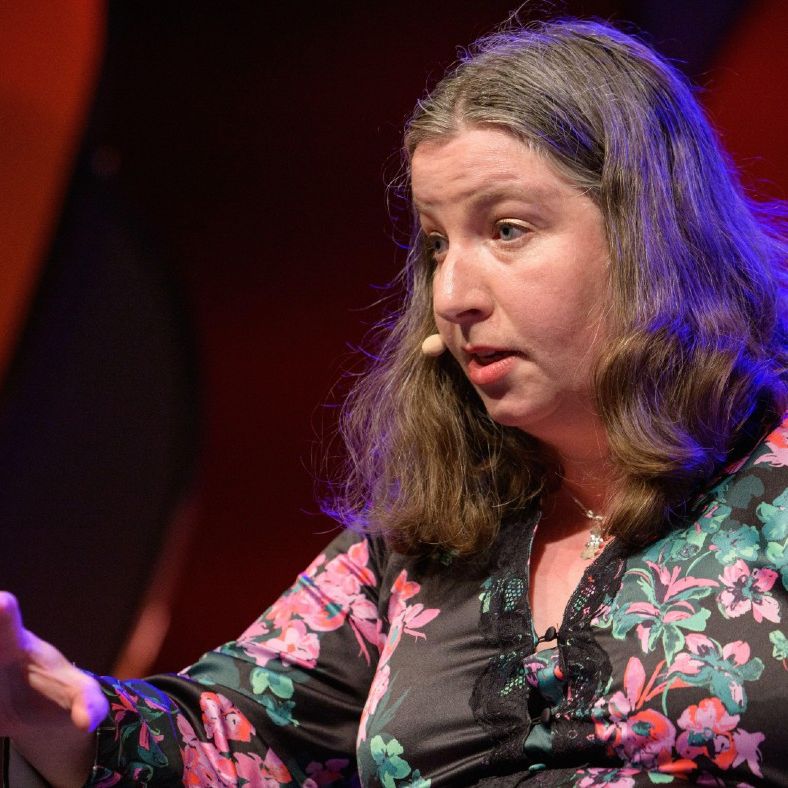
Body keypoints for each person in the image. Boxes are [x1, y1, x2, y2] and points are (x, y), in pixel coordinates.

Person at [2, 16, 786, 788]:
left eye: (507, 229)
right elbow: (237, 734)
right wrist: (56, 707)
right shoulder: (431, 539)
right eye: (437, 244)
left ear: (648, 235)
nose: (452, 295)